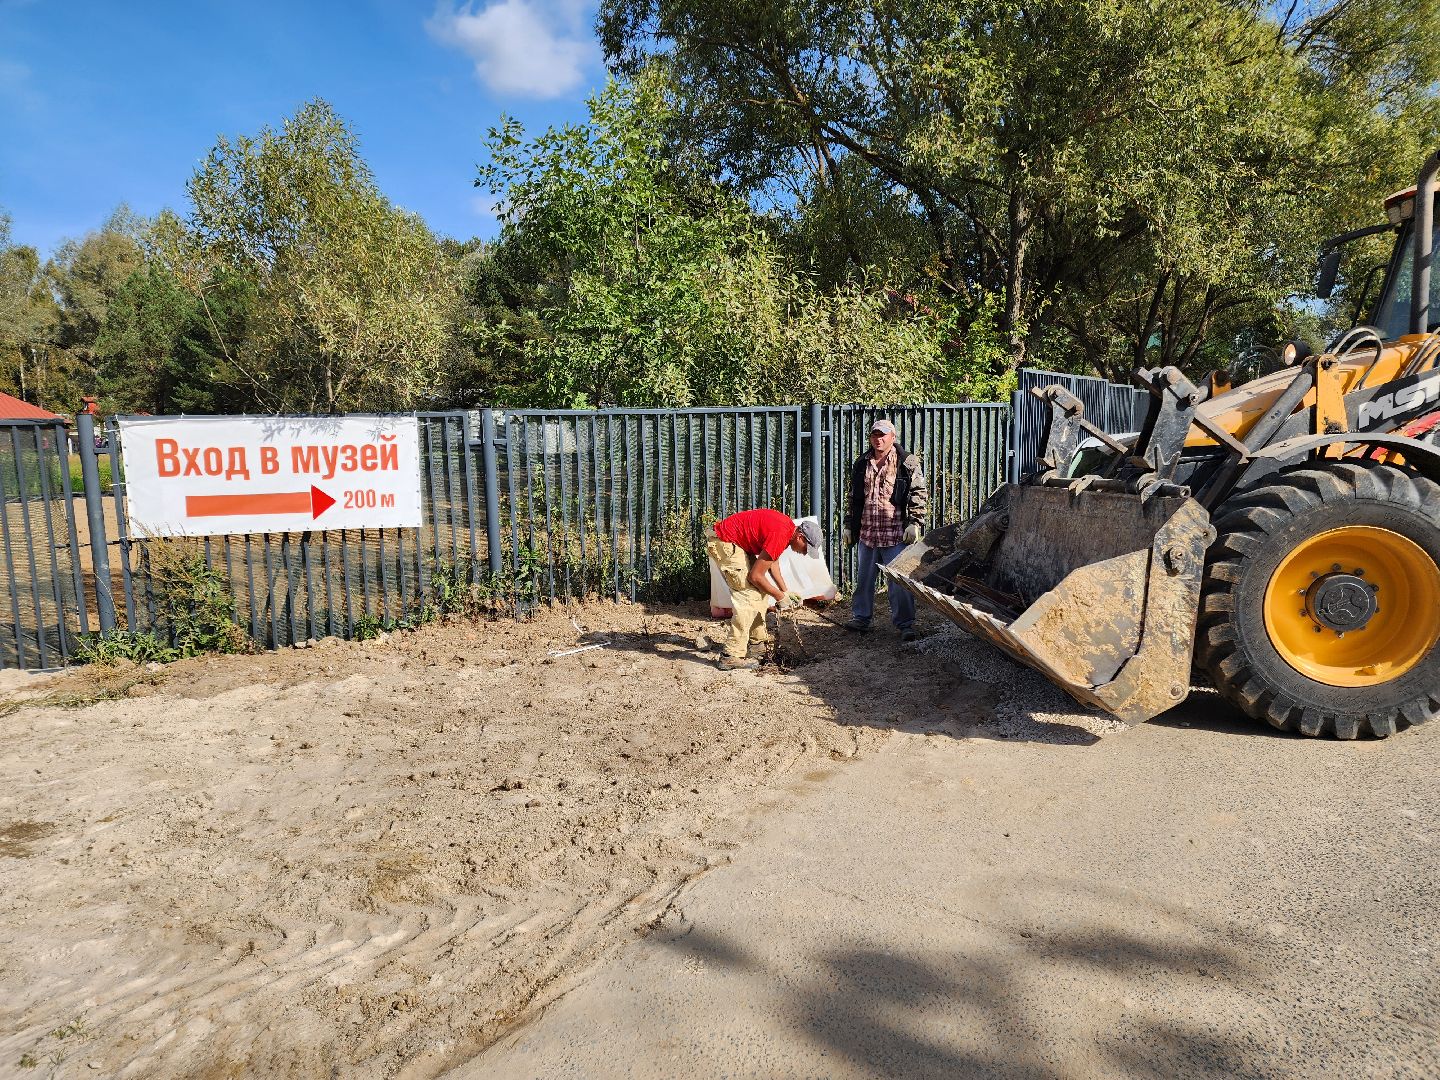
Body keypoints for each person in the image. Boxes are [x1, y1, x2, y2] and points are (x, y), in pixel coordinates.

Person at [842, 418, 928, 642]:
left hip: (895, 534)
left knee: (899, 582)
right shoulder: (862, 463)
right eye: (874, 435)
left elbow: (918, 493)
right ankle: (862, 619)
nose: (878, 439)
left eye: (883, 435)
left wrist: (915, 522)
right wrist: (849, 525)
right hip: (868, 533)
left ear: (893, 437)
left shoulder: (906, 462)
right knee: (864, 580)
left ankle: (905, 625)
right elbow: (853, 497)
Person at [705, 509, 822, 671]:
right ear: (800, 537)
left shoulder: (786, 530)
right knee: (747, 596)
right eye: (805, 549)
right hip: (725, 542)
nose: (804, 553)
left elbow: (772, 562)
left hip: (734, 543)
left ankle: (756, 645)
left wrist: (784, 591)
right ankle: (730, 655)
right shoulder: (781, 534)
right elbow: (756, 576)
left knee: (760, 593)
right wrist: (779, 596)